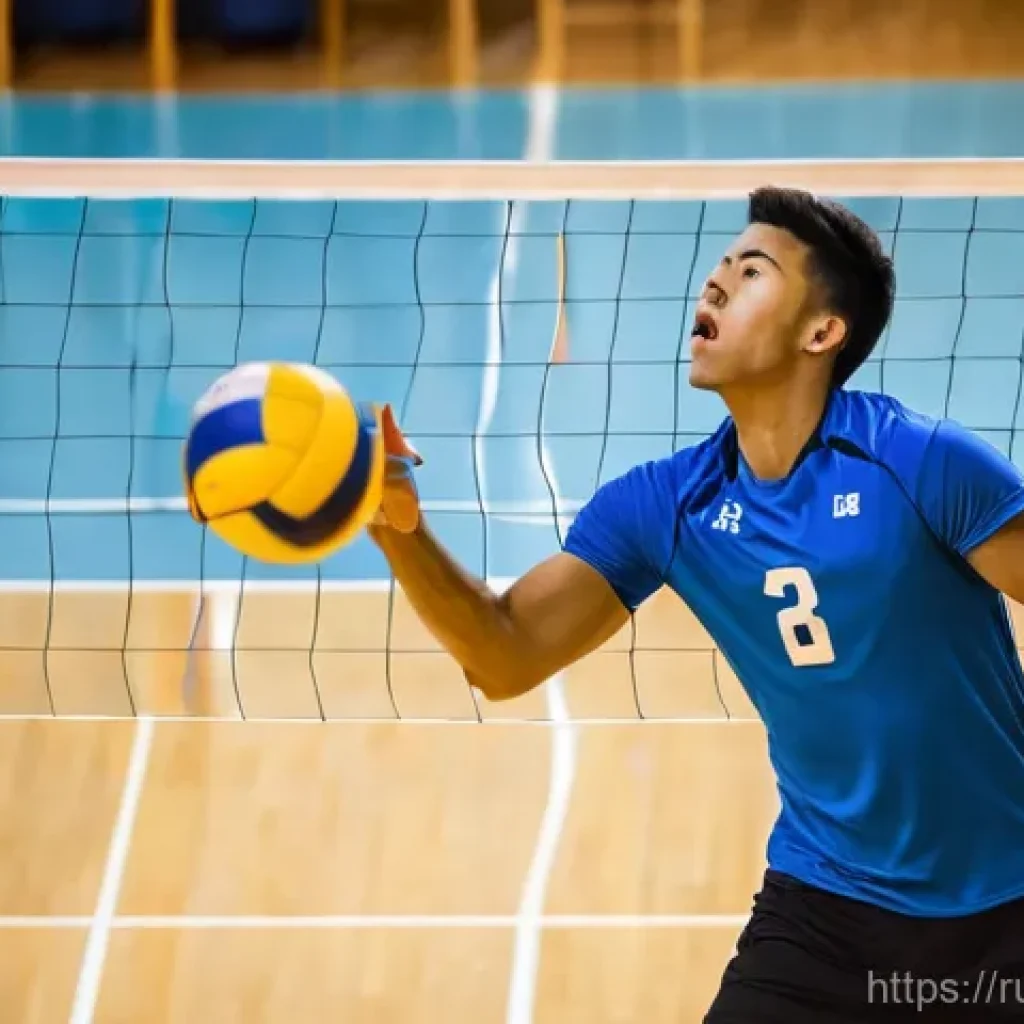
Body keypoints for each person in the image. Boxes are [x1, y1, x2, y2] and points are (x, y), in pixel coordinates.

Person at [368, 186, 1024, 1021]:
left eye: (752, 272)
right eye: (719, 266)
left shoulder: (921, 462)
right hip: (826, 910)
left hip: (1008, 904)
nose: (713, 284)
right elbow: (504, 656)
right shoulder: (665, 508)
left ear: (822, 333)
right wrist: (398, 529)